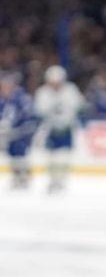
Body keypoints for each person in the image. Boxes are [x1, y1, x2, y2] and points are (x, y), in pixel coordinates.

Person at [33, 64, 85, 194]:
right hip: (50, 129)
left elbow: (79, 106)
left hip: (67, 128)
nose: (55, 84)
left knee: (64, 156)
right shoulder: (43, 92)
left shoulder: (71, 90)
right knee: (50, 157)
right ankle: (53, 180)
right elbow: (39, 110)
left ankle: (62, 180)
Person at [0, 72, 39, 190]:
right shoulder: (2, 100)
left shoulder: (22, 99)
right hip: (9, 134)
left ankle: (24, 176)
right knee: (12, 156)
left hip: (21, 133)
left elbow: (28, 116)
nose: (4, 88)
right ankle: (17, 176)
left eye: (7, 86)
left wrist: (21, 129)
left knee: (21, 155)